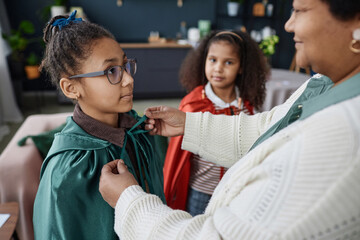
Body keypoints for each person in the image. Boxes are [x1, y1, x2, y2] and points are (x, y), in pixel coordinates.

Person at [99, 0, 360, 238]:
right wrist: (190, 124)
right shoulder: (323, 84)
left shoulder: (345, 138)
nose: (288, 25)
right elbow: (269, 129)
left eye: (300, 10)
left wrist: (128, 201)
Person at [33, 11, 165, 240]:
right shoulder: (68, 169)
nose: (129, 79)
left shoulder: (141, 133)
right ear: (71, 88)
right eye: (111, 71)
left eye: (125, 65)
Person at [164, 30, 268, 215]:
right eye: (213, 60)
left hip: (235, 190)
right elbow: (178, 157)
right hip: (202, 192)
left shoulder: (247, 105)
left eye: (228, 62)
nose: (218, 68)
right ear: (204, 60)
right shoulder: (194, 104)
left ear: (241, 67)